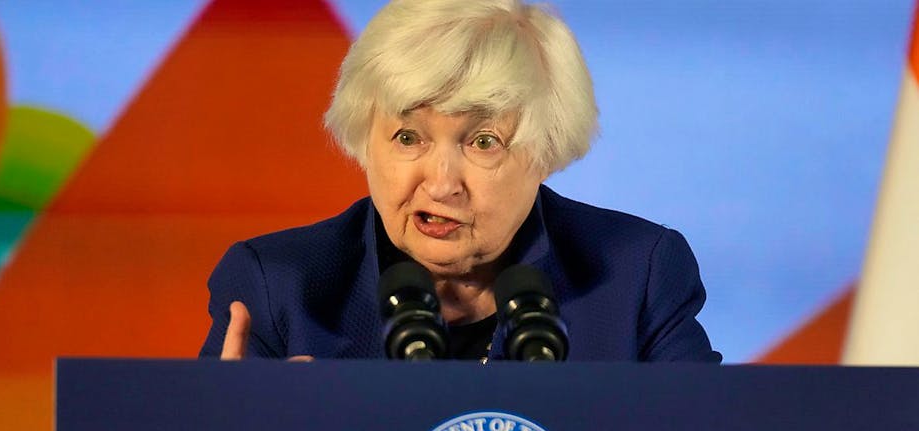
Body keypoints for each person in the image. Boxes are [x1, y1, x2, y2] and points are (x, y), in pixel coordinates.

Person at [200, 0, 721, 362]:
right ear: (365, 140)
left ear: (546, 152)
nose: (442, 182)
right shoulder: (277, 288)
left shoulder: (636, 277)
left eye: (483, 142)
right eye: (408, 137)